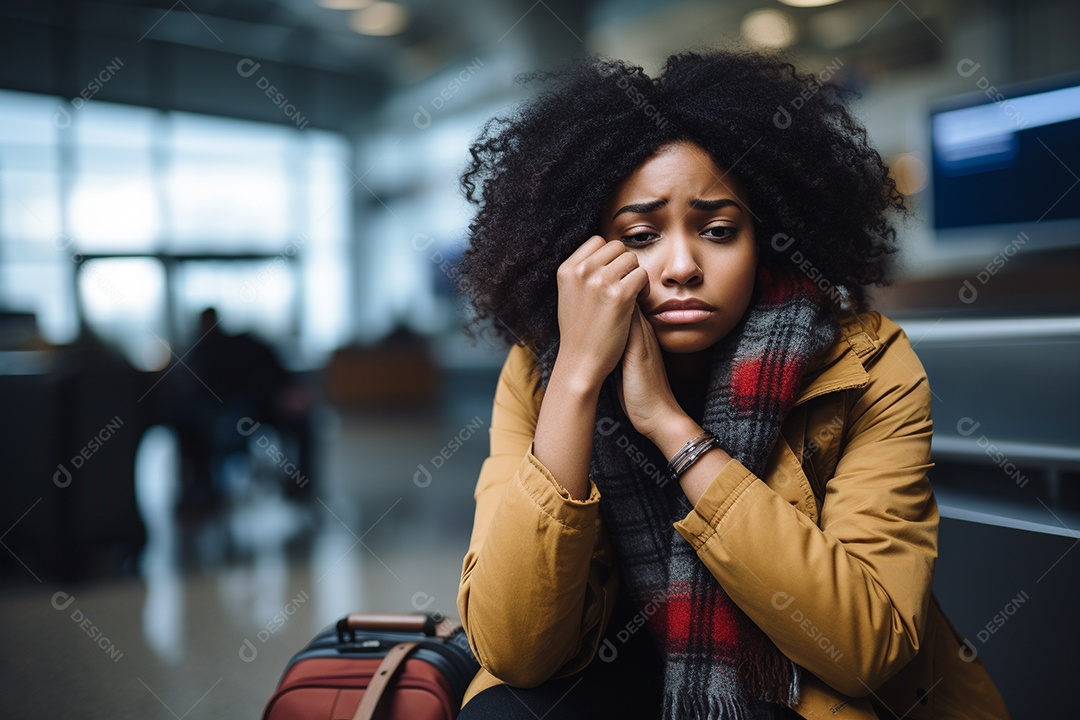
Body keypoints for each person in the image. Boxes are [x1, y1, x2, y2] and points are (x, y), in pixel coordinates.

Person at [453, 50, 1010, 719]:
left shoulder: (866, 365)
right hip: (619, 677)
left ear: (764, 238)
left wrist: (671, 429)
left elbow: (864, 650)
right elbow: (515, 649)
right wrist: (574, 378)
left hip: (798, 693)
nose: (681, 266)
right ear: (584, 251)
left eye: (718, 231)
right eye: (640, 236)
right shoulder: (541, 371)